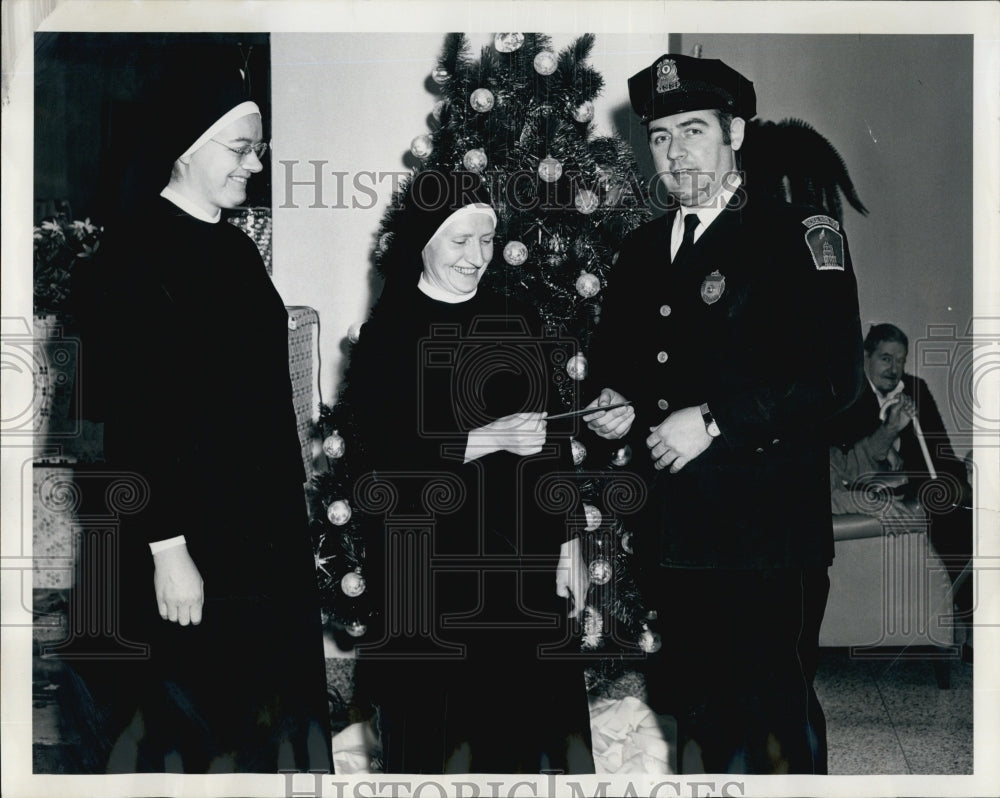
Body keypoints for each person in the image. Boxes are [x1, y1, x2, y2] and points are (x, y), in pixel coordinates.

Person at [581, 54, 864, 774]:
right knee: (698, 711)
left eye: (694, 130)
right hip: (678, 531)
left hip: (767, 533)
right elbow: (625, 366)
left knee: (773, 719)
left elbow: (835, 380)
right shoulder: (642, 250)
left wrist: (712, 420)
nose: (676, 152)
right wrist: (615, 403)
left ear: (734, 133)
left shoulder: (799, 233)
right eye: (661, 136)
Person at [71, 50, 333, 773]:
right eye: (241, 148)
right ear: (184, 146)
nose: (256, 163)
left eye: (259, 149)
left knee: (268, 728)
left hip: (257, 537)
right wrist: (166, 548)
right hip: (187, 539)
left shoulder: (234, 247)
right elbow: (128, 418)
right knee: (194, 733)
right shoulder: (131, 258)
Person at [345, 169, 595, 774]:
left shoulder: (517, 318)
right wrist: (482, 440)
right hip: (427, 565)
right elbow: (376, 457)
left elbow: (552, 445)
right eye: (460, 241)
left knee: (523, 733)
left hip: (521, 559)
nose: (477, 257)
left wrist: (569, 545)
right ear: (424, 243)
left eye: (486, 241)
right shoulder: (388, 334)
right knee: (435, 735)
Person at [828, 323, 973, 610]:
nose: (894, 369)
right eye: (886, 358)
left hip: (915, 481)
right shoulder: (846, 394)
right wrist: (889, 431)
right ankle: (968, 606)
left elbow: (939, 449)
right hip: (868, 486)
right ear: (866, 356)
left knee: (951, 498)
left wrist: (956, 480)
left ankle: (970, 602)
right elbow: (848, 465)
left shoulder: (915, 389)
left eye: (900, 360)